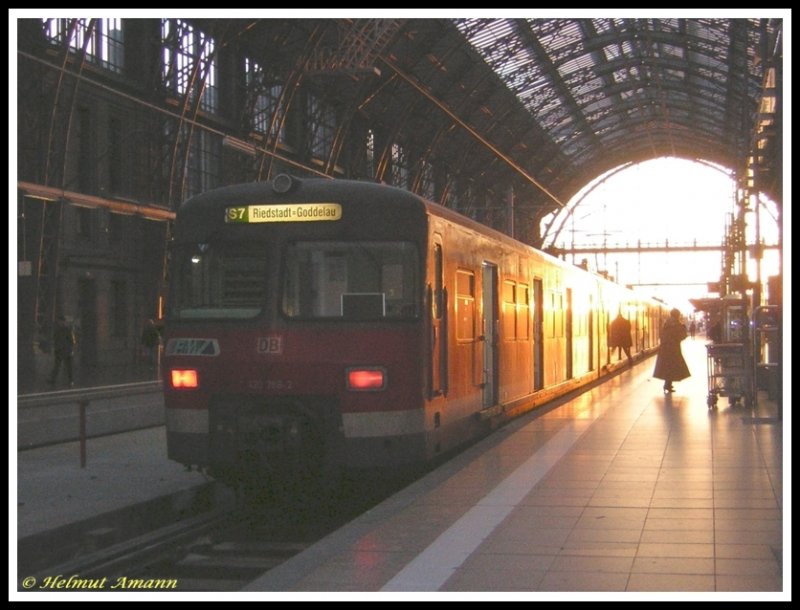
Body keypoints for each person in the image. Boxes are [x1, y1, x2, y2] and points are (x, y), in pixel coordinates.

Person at [653, 308, 690, 393]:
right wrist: (683, 328)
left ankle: (668, 384)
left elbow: (662, 335)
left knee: (668, 367)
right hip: (673, 349)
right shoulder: (676, 324)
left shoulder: (666, 323)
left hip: (665, 349)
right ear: (677, 315)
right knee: (672, 367)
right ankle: (667, 385)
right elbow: (681, 336)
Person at [49, 315, 75, 387]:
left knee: (68, 367)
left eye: (60, 321)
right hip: (60, 350)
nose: (60, 323)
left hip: (66, 350)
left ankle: (71, 380)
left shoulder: (67, 330)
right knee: (57, 366)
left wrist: (71, 349)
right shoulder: (58, 330)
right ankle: (53, 379)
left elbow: (72, 341)